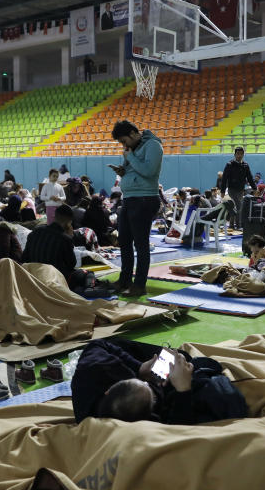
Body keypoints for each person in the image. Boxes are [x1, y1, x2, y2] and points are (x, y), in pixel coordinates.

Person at [71, 339, 248, 424]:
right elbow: (178, 431)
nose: (149, 384)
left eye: (143, 385)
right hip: (172, 394)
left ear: (109, 390)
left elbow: (97, 345)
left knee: (181, 357)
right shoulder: (149, 427)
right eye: (149, 391)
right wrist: (182, 389)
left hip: (143, 368)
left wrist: (140, 369)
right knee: (220, 393)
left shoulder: (88, 378)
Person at [110, 120, 164, 297]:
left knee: (141, 245)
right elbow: (136, 170)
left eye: (124, 141)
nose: (124, 145)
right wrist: (122, 171)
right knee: (124, 242)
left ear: (133, 133)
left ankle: (139, 285)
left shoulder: (153, 146)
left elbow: (149, 171)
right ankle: (124, 279)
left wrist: (130, 157)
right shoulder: (133, 150)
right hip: (129, 199)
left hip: (144, 199)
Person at [22, 203, 77, 280]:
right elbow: (71, 264)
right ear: (68, 223)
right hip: (53, 280)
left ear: (55, 216)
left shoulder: (35, 231)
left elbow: (24, 258)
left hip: (32, 278)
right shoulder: (65, 239)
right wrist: (70, 236)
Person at [219, 146, 255, 230]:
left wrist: (254, 188)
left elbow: (249, 177)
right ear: (234, 155)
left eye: (241, 154)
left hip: (241, 190)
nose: (239, 155)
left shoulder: (245, 165)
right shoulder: (229, 164)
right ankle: (238, 225)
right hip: (232, 190)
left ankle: (232, 225)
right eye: (238, 154)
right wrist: (222, 191)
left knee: (235, 208)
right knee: (238, 206)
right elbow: (224, 178)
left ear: (243, 154)